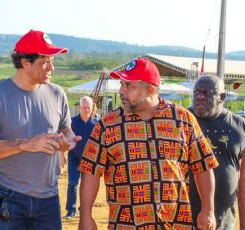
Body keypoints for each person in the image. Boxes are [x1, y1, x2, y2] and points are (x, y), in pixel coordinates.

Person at [78, 58, 219, 230]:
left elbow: (203, 165)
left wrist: (208, 210)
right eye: (122, 84)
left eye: (129, 86)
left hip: (175, 223)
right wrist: (86, 216)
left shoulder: (183, 119)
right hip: (126, 225)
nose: (122, 91)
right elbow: (90, 171)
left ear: (150, 90)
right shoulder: (108, 125)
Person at [0, 29, 81, 230]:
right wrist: (25, 144)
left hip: (49, 198)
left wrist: (67, 142)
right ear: (25, 62)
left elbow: (66, 130)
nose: (51, 67)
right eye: (44, 61)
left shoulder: (57, 93)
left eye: (52, 60)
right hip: (8, 196)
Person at [189, 75, 245, 230]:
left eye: (207, 93)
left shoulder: (240, 127)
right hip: (184, 218)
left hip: (226, 219)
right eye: (196, 92)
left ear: (222, 97)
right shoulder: (183, 121)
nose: (199, 96)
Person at [64, 96, 100, 219]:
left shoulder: (97, 123)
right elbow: (64, 139)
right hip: (74, 158)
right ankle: (71, 210)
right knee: (72, 184)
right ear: (79, 108)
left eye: (88, 107)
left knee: (86, 187)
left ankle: (84, 210)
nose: (86, 110)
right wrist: (60, 154)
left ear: (92, 108)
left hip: (90, 160)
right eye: (84, 107)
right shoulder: (71, 123)